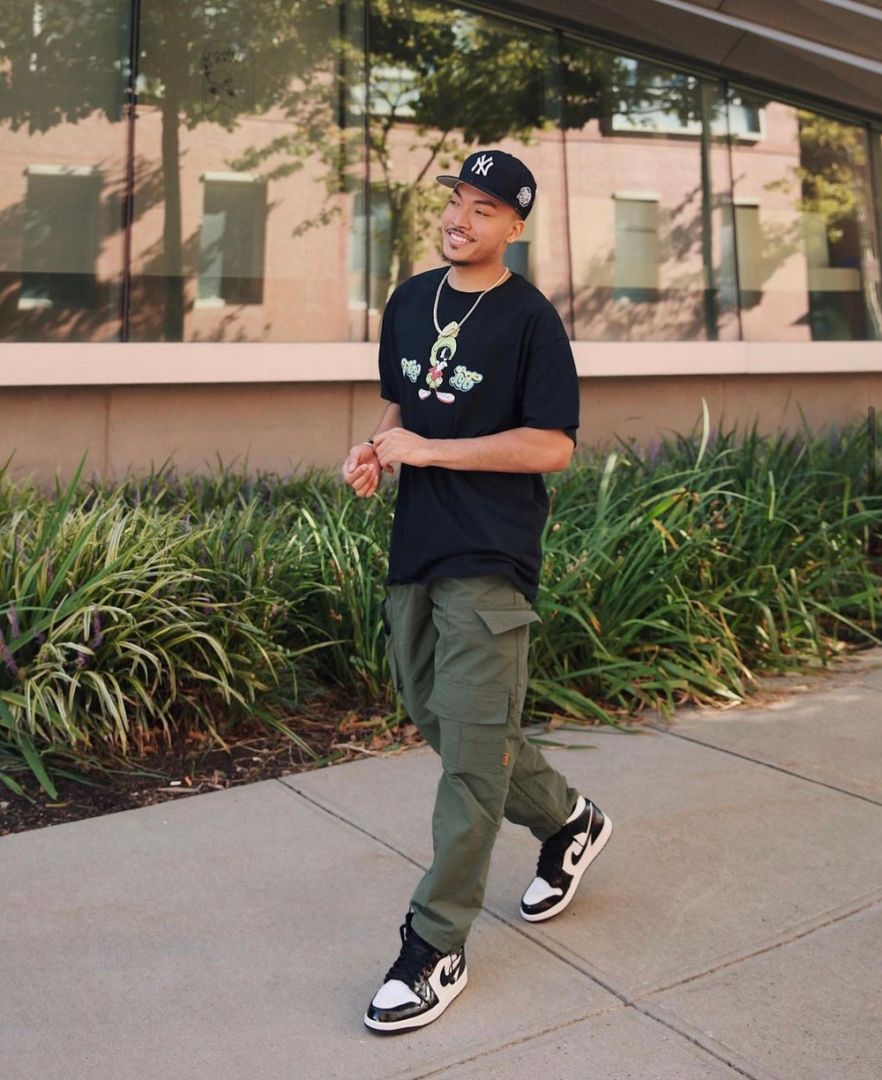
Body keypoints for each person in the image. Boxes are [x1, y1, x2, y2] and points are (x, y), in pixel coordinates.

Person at [342, 149, 613, 1034]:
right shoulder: (409, 300)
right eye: (457, 200)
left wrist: (434, 451)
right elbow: (403, 407)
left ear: (515, 227)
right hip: (416, 549)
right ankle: (569, 820)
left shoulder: (530, 319)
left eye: (485, 208)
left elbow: (554, 445)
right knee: (449, 723)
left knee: (467, 758)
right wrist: (377, 450)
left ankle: (436, 945)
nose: (461, 218)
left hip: (491, 558)